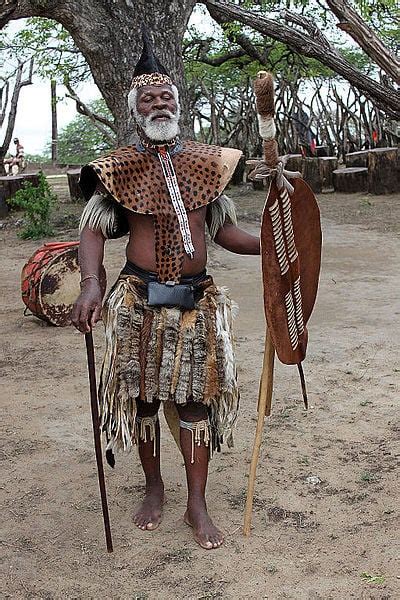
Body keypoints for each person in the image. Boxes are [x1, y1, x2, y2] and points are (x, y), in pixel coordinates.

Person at [72, 31, 260, 550]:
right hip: (139, 301)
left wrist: (274, 243)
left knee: (196, 403)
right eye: (149, 99)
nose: (160, 104)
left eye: (167, 97)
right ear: (135, 109)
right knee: (146, 401)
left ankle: (195, 502)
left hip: (197, 302)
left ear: (179, 104)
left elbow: (225, 233)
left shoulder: (207, 164)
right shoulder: (118, 169)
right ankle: (155, 485)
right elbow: (91, 229)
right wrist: (91, 283)